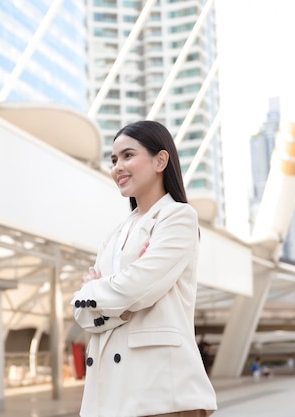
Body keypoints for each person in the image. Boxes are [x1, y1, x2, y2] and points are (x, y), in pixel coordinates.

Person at [71, 121, 217, 417]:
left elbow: (138, 286)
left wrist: (96, 291)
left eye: (127, 156)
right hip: (110, 398)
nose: (117, 167)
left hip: (162, 392)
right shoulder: (114, 236)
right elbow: (82, 312)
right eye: (113, 160)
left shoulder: (178, 217)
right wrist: (116, 300)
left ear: (160, 160)